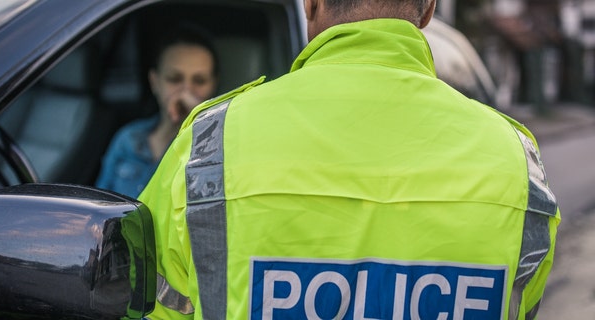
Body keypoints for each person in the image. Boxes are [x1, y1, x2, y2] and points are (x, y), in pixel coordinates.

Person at [139, 0, 561, 318]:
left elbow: (142, 301)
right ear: (429, 7)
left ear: (311, 3)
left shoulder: (212, 143)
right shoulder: (515, 161)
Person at [95, 24, 218, 198]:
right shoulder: (128, 138)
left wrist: (198, 120)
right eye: (174, 79)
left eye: (199, 81)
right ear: (154, 82)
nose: (186, 92)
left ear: (213, 86)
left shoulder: (218, 148)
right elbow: (98, 203)